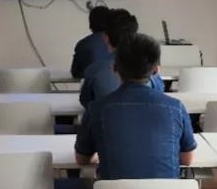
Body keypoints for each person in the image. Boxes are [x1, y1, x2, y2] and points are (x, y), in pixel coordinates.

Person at [75, 33, 196, 179]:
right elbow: (187, 159)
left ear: (114, 67)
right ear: (156, 70)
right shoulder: (176, 108)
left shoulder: (96, 109)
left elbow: (82, 159)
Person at [79, 9, 164, 108]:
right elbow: (160, 91)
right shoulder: (148, 64)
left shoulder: (93, 70)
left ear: (106, 38)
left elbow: (86, 102)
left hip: (107, 117)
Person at [70, 5, 112, 78]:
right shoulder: (120, 42)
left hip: (92, 84)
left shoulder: (82, 45)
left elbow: (75, 72)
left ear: (90, 25)